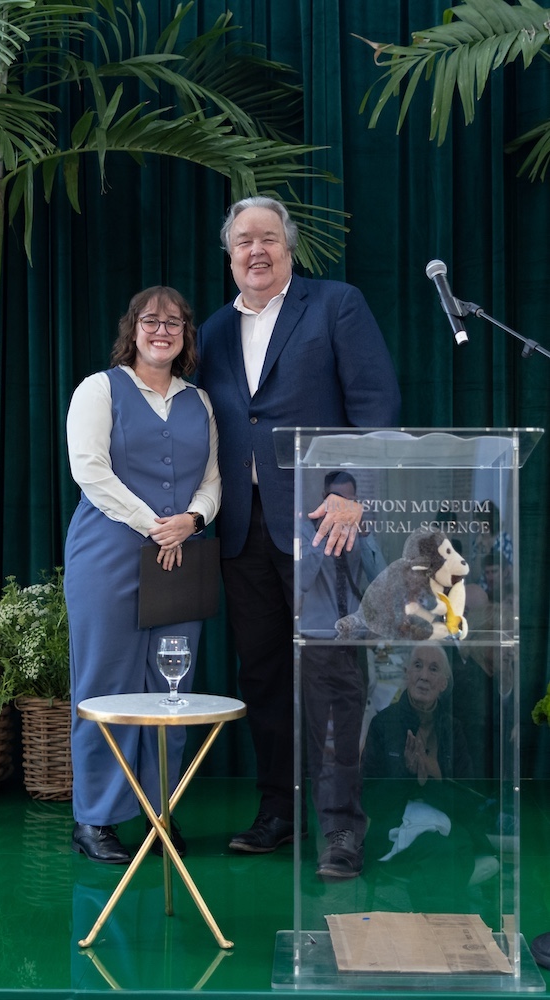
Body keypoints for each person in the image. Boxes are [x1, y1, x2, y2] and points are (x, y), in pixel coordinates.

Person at [196, 195, 401, 876]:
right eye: (243, 242)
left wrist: (348, 490)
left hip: (321, 526)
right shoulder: (215, 330)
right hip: (242, 530)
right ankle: (277, 813)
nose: (256, 252)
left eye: (268, 239)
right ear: (229, 256)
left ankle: (340, 829)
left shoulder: (335, 303)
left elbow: (374, 403)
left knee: (331, 676)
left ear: (288, 248)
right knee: (261, 674)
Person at [64, 286, 221, 864]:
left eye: (174, 322)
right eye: (151, 321)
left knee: (170, 689)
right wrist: (155, 523)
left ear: (186, 335)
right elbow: (90, 469)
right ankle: (95, 820)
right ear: (132, 330)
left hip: (181, 553)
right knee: (105, 684)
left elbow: (213, 477)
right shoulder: (99, 389)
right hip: (107, 554)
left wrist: (193, 518)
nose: (162, 330)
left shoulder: (198, 402)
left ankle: (160, 813)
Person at [299, 471, 385, 878]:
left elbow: (383, 582)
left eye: (349, 503)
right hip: (314, 648)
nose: (342, 511)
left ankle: (348, 834)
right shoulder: (305, 530)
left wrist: (361, 534)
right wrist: (322, 535)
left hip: (352, 648)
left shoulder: (361, 532)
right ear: (324, 499)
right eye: (337, 501)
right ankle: (330, 832)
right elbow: (297, 582)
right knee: (322, 747)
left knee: (349, 744)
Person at [361, 644, 497, 889]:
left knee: (452, 848)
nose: (423, 675)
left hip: (448, 827)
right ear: (407, 674)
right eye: (417, 666)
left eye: (433, 669)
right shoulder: (383, 725)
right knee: (445, 853)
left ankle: (439, 923)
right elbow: (371, 803)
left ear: (443, 683)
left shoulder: (452, 729)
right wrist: (407, 776)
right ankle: (445, 924)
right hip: (394, 829)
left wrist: (433, 779)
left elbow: (469, 804)